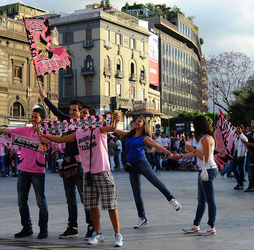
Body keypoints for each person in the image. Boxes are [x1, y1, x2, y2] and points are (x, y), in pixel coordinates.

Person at [42, 111, 123, 247]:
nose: (82, 116)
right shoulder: (78, 133)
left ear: (92, 117)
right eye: (81, 114)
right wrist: (43, 134)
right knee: (92, 205)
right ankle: (98, 234)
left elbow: (112, 128)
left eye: (85, 113)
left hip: (102, 171)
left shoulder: (99, 129)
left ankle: (118, 235)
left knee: (111, 205)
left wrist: (116, 119)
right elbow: (60, 139)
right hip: (88, 173)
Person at [0, 108, 49, 239]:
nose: (33, 119)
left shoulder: (46, 132)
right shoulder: (25, 130)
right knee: (21, 201)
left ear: (42, 120)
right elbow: (8, 131)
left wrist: (41, 134)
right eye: (32, 117)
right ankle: (27, 227)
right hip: (23, 170)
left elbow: (48, 144)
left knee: (41, 202)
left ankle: (43, 228)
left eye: (36, 117)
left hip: (37, 171)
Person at [39, 88, 94, 240]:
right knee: (70, 198)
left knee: (85, 197)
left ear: (82, 112)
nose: (71, 112)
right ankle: (72, 227)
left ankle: (92, 226)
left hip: (80, 165)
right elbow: (56, 111)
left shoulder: (86, 126)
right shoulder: (68, 123)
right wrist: (45, 98)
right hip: (67, 164)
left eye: (75, 110)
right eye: (70, 110)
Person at [114, 117, 181, 230]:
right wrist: (115, 119)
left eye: (139, 121)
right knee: (136, 193)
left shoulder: (144, 138)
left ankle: (172, 199)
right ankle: (142, 217)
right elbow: (114, 129)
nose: (136, 122)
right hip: (131, 166)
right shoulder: (129, 135)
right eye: (136, 121)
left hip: (141, 162)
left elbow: (157, 146)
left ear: (144, 125)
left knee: (155, 181)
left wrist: (170, 154)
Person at [175, 115, 218, 236]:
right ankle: (196, 225)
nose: (193, 127)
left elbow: (206, 158)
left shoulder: (206, 139)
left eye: (194, 125)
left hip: (208, 169)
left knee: (209, 200)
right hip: (203, 170)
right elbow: (196, 154)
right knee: (201, 200)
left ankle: (211, 226)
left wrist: (192, 150)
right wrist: (181, 156)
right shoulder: (202, 138)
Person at [232, 124, 248, 190]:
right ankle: (239, 181)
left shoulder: (244, 138)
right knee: (233, 168)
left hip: (241, 156)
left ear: (242, 130)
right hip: (236, 155)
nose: (237, 130)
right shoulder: (237, 137)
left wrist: (242, 154)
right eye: (237, 129)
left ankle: (240, 183)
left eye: (239, 129)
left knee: (241, 170)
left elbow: (246, 147)